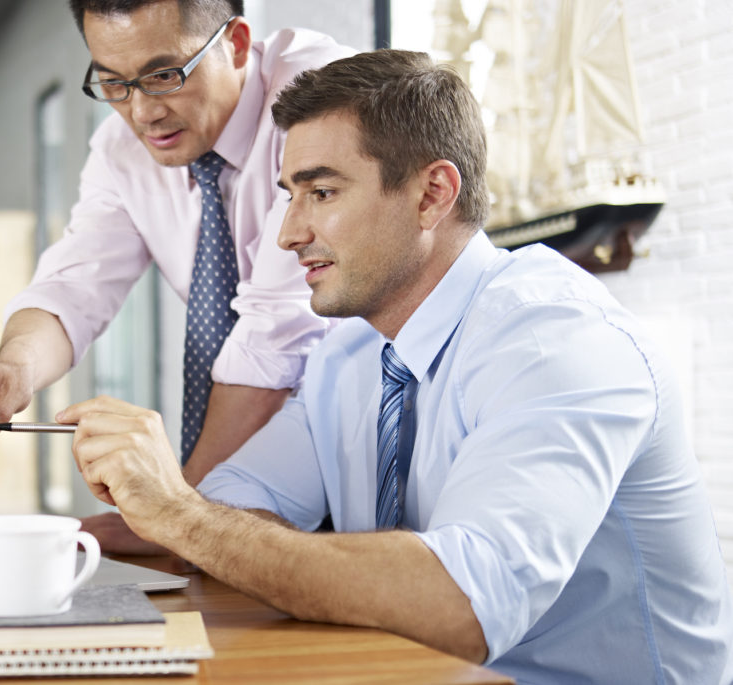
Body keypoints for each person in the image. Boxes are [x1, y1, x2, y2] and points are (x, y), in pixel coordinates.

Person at [61, 49, 733, 683]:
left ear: (432, 194)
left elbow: (462, 602)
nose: (289, 233)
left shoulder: (557, 342)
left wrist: (182, 516)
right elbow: (235, 497)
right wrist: (212, 523)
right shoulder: (350, 355)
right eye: (288, 196)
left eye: (320, 193)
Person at [0, 0, 353, 548]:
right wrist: (13, 371)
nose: (143, 112)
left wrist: (173, 517)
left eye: (163, 74)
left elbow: (274, 343)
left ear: (235, 44)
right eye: (114, 82)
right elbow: (75, 284)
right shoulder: (122, 148)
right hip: (254, 478)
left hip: (358, 442)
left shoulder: (317, 101)